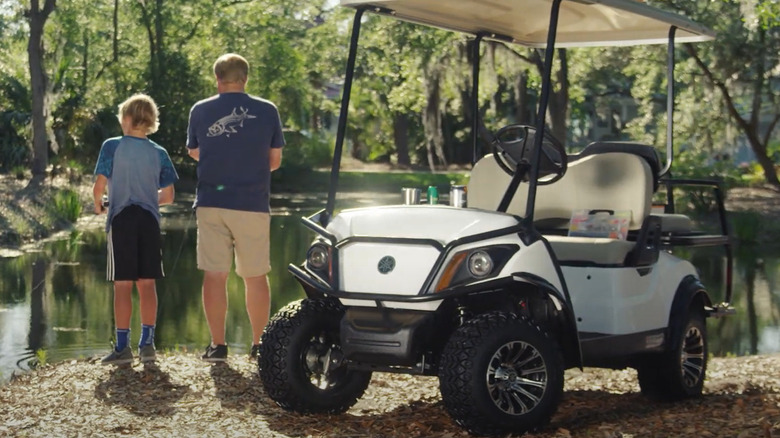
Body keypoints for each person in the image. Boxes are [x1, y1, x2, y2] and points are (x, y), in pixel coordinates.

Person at [186, 53, 284, 362]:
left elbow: (194, 151)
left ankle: (218, 346)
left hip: (211, 204)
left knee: (214, 275)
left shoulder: (200, 110)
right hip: (252, 203)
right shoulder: (267, 110)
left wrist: (220, 156)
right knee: (255, 276)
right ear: (246, 78)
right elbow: (274, 161)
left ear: (217, 78)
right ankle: (259, 346)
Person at [93, 93, 178, 365]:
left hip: (121, 220)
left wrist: (99, 204)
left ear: (127, 119)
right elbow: (168, 196)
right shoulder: (159, 152)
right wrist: (147, 198)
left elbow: (99, 187)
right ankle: (148, 344)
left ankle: (122, 348)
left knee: (122, 284)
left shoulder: (112, 146)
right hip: (149, 221)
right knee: (147, 283)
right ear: (151, 121)